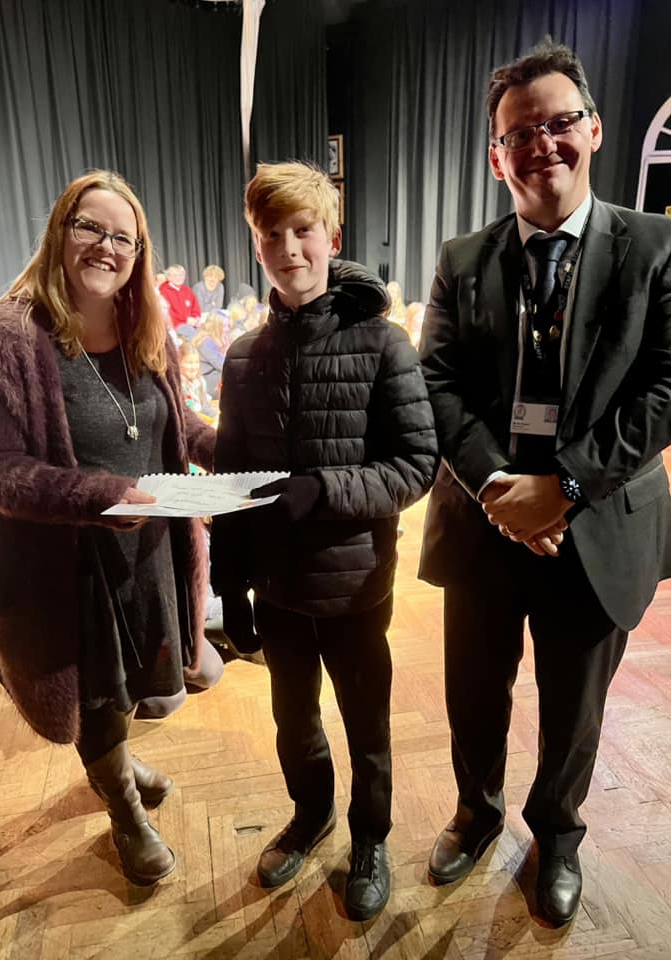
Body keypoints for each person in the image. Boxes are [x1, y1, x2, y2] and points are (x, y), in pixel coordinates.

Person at [418, 40, 671, 927]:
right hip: (483, 522)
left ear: (594, 130)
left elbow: (665, 387)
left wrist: (561, 487)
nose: (541, 144)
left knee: (575, 708)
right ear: (497, 157)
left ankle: (558, 835)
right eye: (518, 133)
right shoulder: (460, 258)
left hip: (598, 521)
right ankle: (475, 812)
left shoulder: (657, 246)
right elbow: (437, 385)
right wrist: (499, 487)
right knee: (472, 695)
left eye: (560, 122)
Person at [0, 170, 218, 887]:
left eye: (123, 237)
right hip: (67, 569)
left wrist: (224, 449)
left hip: (150, 550)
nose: (107, 246)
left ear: (139, 252)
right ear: (59, 232)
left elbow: (172, 422)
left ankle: (117, 760)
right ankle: (124, 809)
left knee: (128, 685)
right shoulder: (3, 338)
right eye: (90, 227)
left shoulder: (142, 325)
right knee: (95, 691)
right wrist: (98, 495)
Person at [211, 161, 437, 921]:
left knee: (367, 726)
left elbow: (416, 465)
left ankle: (370, 838)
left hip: (355, 587)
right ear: (257, 245)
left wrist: (326, 488)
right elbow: (234, 479)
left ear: (331, 237)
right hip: (276, 588)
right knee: (293, 720)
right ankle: (311, 815)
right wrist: (229, 583)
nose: (289, 249)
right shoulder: (244, 356)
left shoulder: (383, 345)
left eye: (303, 230)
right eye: (271, 235)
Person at [192, 310, 227, 400]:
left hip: (214, 380)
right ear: (216, 327)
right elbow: (221, 365)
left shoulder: (213, 341)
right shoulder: (206, 342)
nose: (227, 329)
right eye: (224, 326)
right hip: (208, 383)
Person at [159, 263, 201, 334]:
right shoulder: (163, 292)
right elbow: (167, 314)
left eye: (181, 275)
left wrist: (195, 318)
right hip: (175, 326)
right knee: (194, 335)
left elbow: (196, 308)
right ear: (169, 277)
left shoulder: (188, 290)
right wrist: (185, 320)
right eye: (175, 275)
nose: (178, 278)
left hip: (192, 324)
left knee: (208, 332)